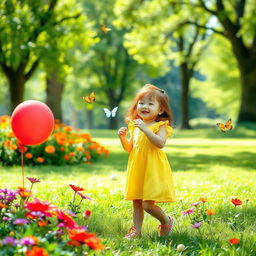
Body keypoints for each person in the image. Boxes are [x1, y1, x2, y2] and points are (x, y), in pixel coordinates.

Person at [118, 84, 176, 239]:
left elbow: (160, 143)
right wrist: (123, 139)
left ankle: (167, 220)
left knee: (147, 205)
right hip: (138, 167)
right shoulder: (135, 125)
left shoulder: (160, 126)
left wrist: (145, 129)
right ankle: (136, 231)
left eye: (151, 104)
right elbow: (131, 148)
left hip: (152, 168)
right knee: (136, 202)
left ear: (161, 110)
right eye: (141, 103)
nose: (145, 106)